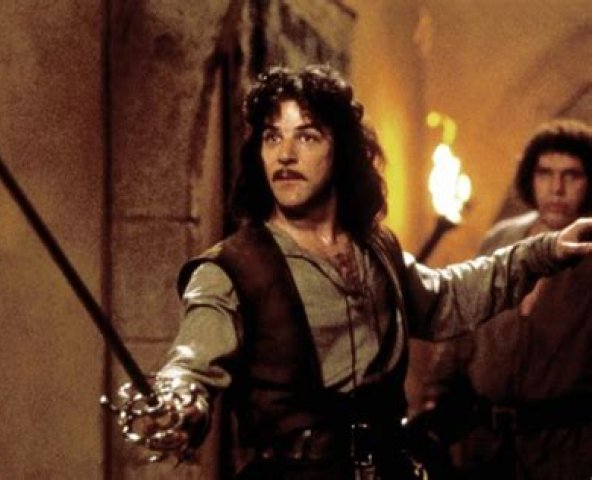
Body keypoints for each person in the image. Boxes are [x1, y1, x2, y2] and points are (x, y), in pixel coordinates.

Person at [116, 65, 592, 480]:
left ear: (340, 149)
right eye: (272, 136)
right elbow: (192, 362)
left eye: (306, 135)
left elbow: (444, 297)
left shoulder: (375, 246)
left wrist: (544, 252)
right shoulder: (230, 269)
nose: (284, 154)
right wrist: (178, 404)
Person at [415, 119, 592, 479]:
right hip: (484, 446)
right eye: (545, 173)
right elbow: (466, 323)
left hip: (564, 449)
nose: (556, 188)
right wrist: (435, 397)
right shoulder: (502, 237)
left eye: (571, 175)